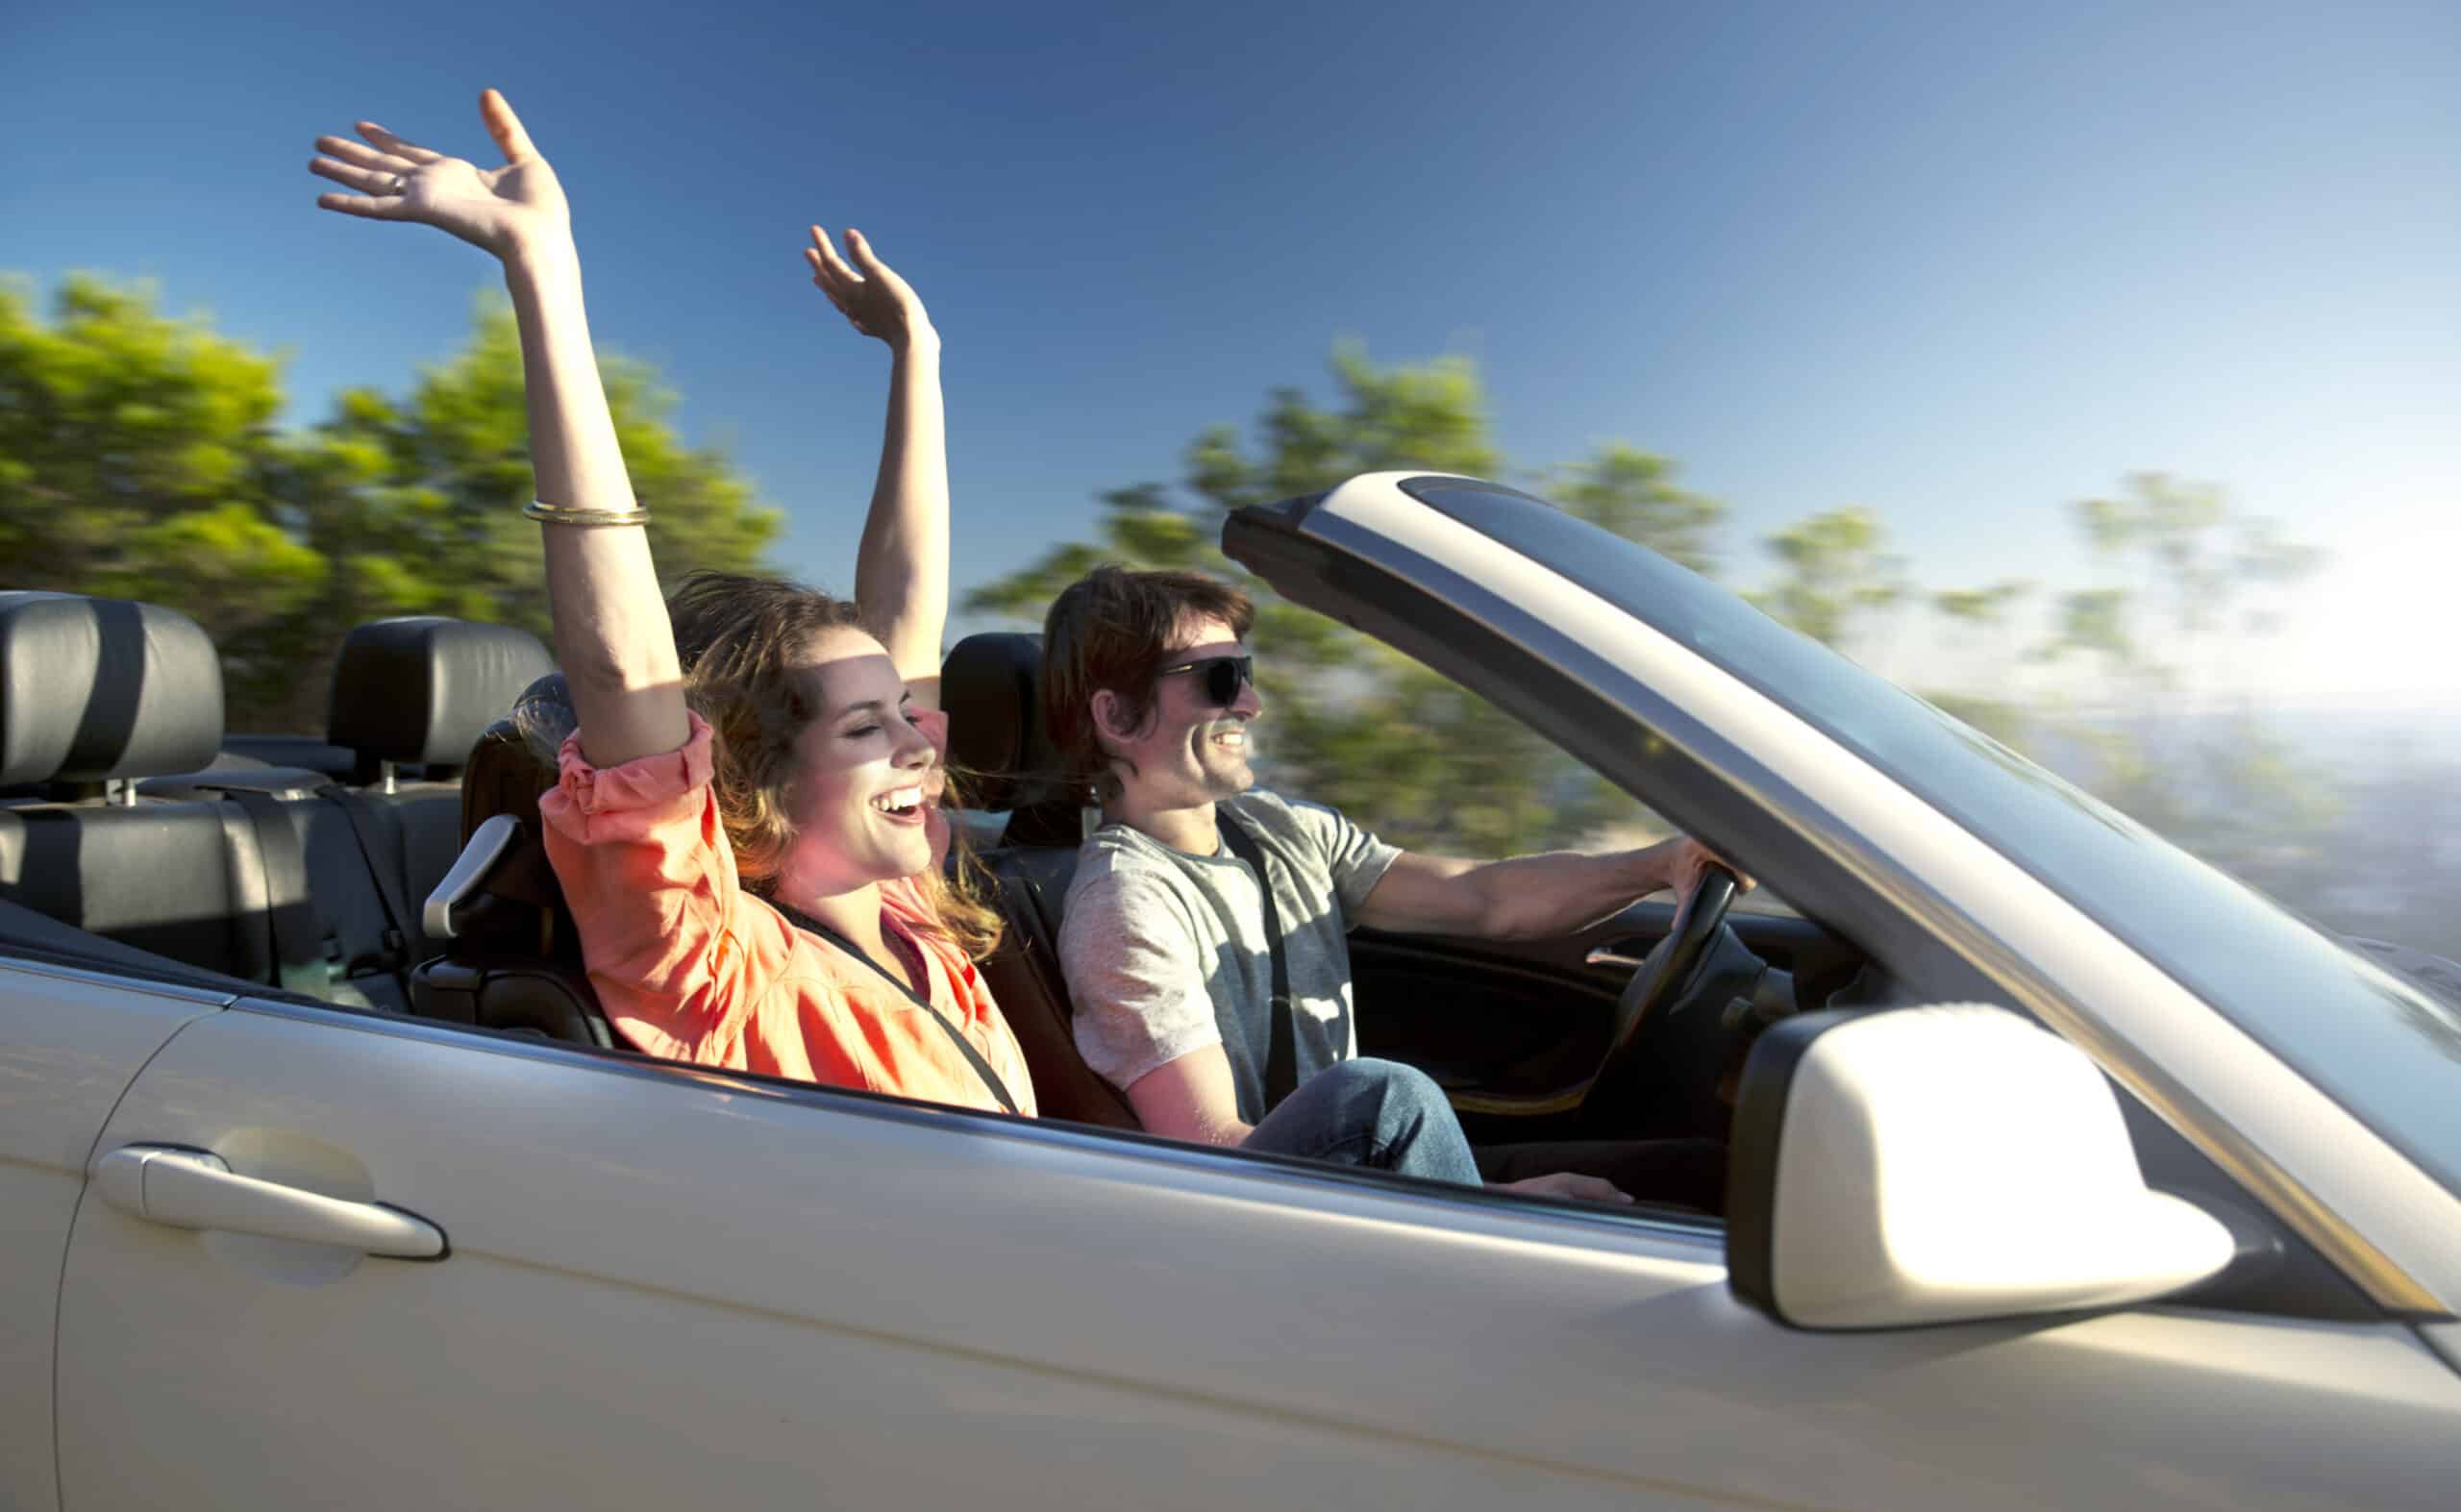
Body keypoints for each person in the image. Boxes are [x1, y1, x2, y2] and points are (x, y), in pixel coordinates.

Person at [306, 91, 1558, 1192]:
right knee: (1376, 1106)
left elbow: (903, 611)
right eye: (872, 725)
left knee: (1396, 1125)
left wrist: (920, 357)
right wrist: (544, 272)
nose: (924, 732)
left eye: (908, 713)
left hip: (1079, 1246)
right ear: (746, 776)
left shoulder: (918, 899)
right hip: (994, 1319)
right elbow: (628, 672)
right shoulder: (714, 964)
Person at [1044, 565, 1742, 1209]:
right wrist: (1504, 1213)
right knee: (1381, 1097)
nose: (1252, 704)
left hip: (1353, 1176)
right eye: (1219, 680)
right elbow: (1215, 1157)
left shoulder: (1273, 828)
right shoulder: (1122, 902)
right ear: (1118, 717)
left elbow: (1483, 896)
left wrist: (1661, 863)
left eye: (1246, 674)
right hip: (1294, 1212)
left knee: (1699, 1175)